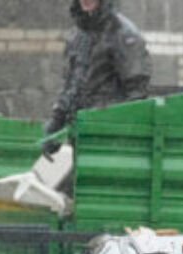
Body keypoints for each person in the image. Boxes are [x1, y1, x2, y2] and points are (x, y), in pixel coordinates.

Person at [44, 0, 151, 154]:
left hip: (107, 135)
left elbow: (137, 93)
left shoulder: (122, 33)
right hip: (80, 131)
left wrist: (118, 133)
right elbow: (71, 83)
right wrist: (57, 120)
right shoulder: (78, 34)